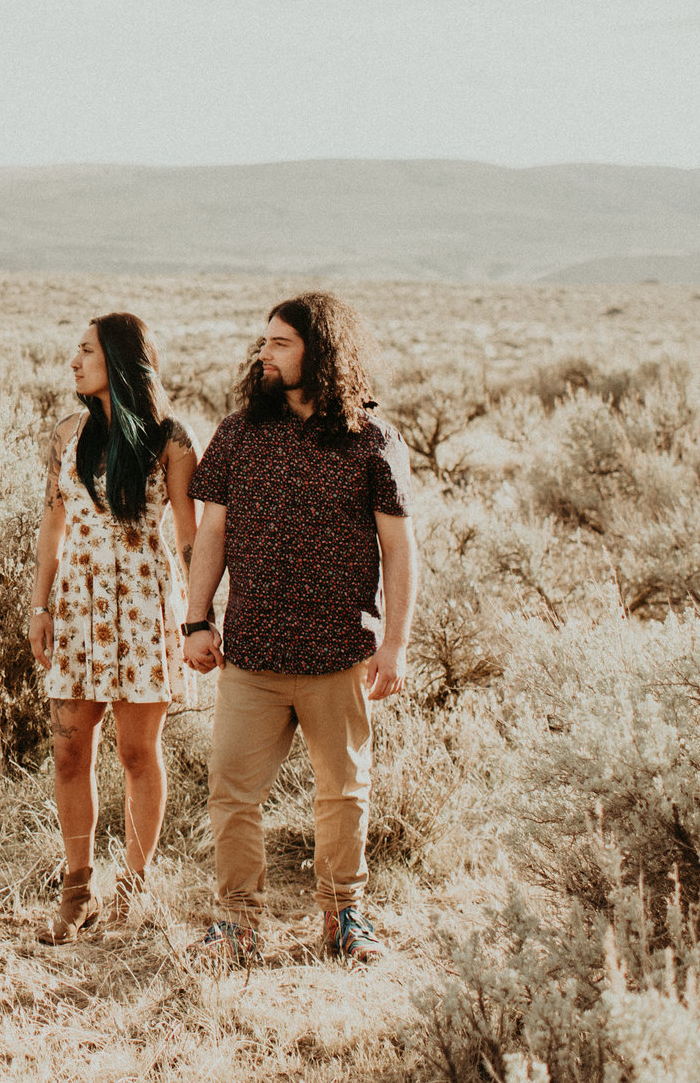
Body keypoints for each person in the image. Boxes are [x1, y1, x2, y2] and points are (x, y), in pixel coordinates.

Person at [181, 291, 415, 967]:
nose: (265, 353)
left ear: (322, 350)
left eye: (280, 342)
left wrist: (394, 644)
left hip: (339, 649)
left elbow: (400, 549)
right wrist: (196, 620)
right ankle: (236, 922)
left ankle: (344, 916)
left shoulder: (372, 440)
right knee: (231, 787)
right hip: (251, 647)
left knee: (342, 790)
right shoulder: (239, 433)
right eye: (265, 341)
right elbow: (213, 532)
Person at [27, 312, 200, 944]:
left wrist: (202, 617)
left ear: (121, 360)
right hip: (76, 600)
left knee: (135, 751)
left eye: (86, 351)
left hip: (143, 604)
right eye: (74, 350)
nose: (74, 362)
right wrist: (39, 606)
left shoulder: (171, 438)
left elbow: (188, 535)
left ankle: (135, 883)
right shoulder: (69, 433)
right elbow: (52, 526)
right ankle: (78, 890)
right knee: (70, 748)